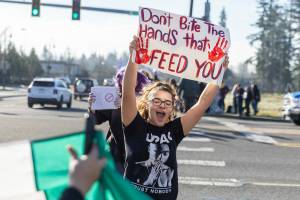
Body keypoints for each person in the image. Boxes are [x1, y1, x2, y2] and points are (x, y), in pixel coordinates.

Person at [121, 36, 229, 199]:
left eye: (167, 102)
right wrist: (134, 57)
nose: (162, 105)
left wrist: (218, 73)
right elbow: (128, 94)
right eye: (156, 101)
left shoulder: (175, 130)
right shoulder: (134, 126)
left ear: (172, 108)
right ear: (147, 104)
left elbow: (202, 103)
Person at [88, 67, 149, 173]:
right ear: (120, 80)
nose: (128, 81)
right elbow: (97, 119)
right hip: (115, 153)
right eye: (124, 78)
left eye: (131, 78)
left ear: (138, 81)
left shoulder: (146, 101)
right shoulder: (113, 98)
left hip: (137, 154)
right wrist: (92, 106)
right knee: (117, 185)